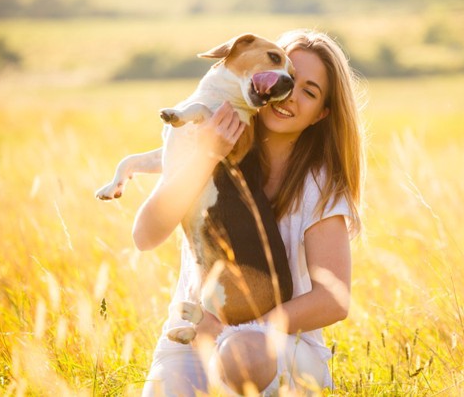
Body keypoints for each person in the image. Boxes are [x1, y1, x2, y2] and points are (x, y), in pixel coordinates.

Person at [133, 29, 364, 395]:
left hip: (279, 345)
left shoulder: (318, 187)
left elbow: (333, 300)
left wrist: (238, 329)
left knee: (242, 353)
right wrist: (207, 154)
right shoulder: (211, 138)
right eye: (281, 75)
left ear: (322, 114)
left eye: (309, 91)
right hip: (195, 332)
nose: (287, 93)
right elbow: (145, 237)